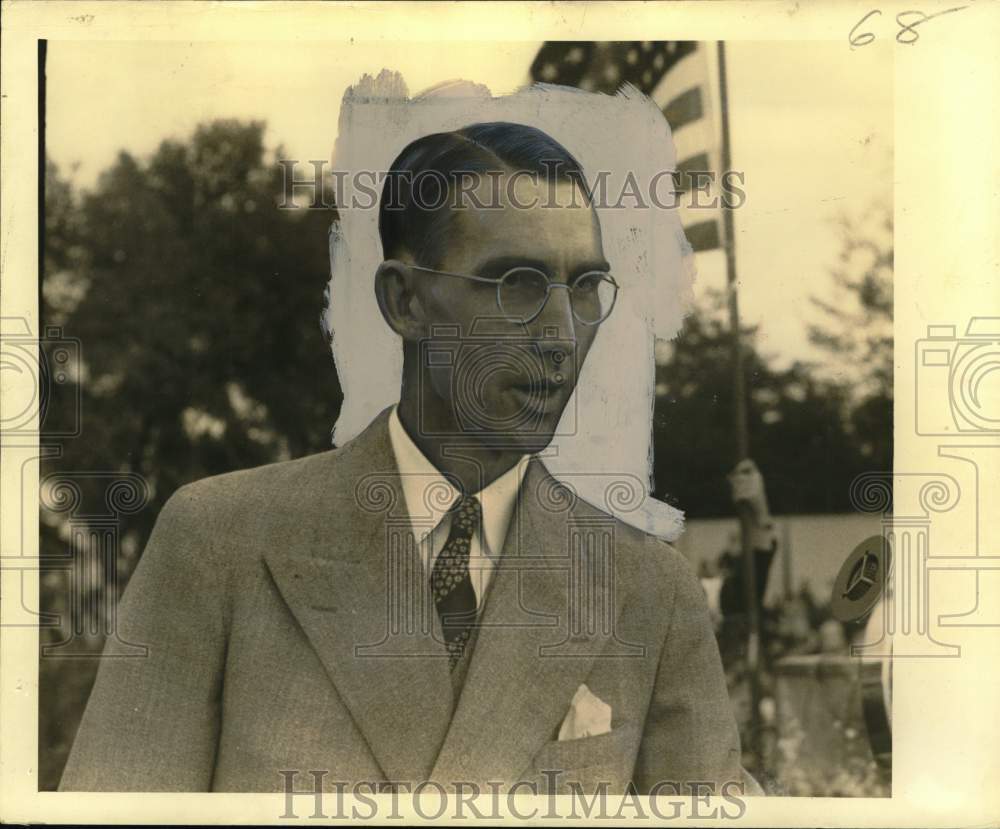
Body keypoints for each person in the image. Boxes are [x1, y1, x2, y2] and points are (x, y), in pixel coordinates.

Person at [60, 122, 754, 795]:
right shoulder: (221, 543)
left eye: (584, 288)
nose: (562, 335)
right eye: (517, 284)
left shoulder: (649, 591)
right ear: (405, 301)